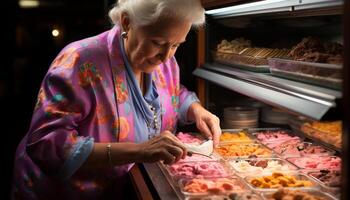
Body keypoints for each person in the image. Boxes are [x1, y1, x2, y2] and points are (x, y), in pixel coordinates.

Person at [11, 0, 221, 199]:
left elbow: (172, 92)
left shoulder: (164, 61)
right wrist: (140, 150)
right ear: (127, 22)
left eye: (176, 45)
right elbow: (45, 142)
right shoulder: (80, 61)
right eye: (158, 42)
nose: (166, 56)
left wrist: (196, 110)